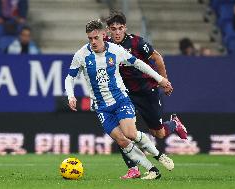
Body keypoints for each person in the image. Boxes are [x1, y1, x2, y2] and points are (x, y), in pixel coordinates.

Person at [65, 19, 174, 180]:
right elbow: (70, 77)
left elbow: (138, 64)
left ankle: (159, 155)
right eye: (90, 38)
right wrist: (71, 95)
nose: (93, 42)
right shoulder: (81, 55)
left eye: (96, 38)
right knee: (122, 141)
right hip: (101, 107)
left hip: (120, 100)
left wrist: (160, 79)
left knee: (130, 133)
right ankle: (152, 170)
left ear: (103, 35)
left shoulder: (115, 50)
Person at [105, 11, 188, 179]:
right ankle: (133, 169)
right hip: (124, 94)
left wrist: (164, 80)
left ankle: (173, 124)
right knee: (122, 132)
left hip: (146, 91)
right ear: (108, 30)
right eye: (113, 29)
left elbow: (157, 57)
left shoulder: (136, 42)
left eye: (120, 28)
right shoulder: (105, 44)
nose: (117, 32)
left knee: (158, 133)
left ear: (125, 28)